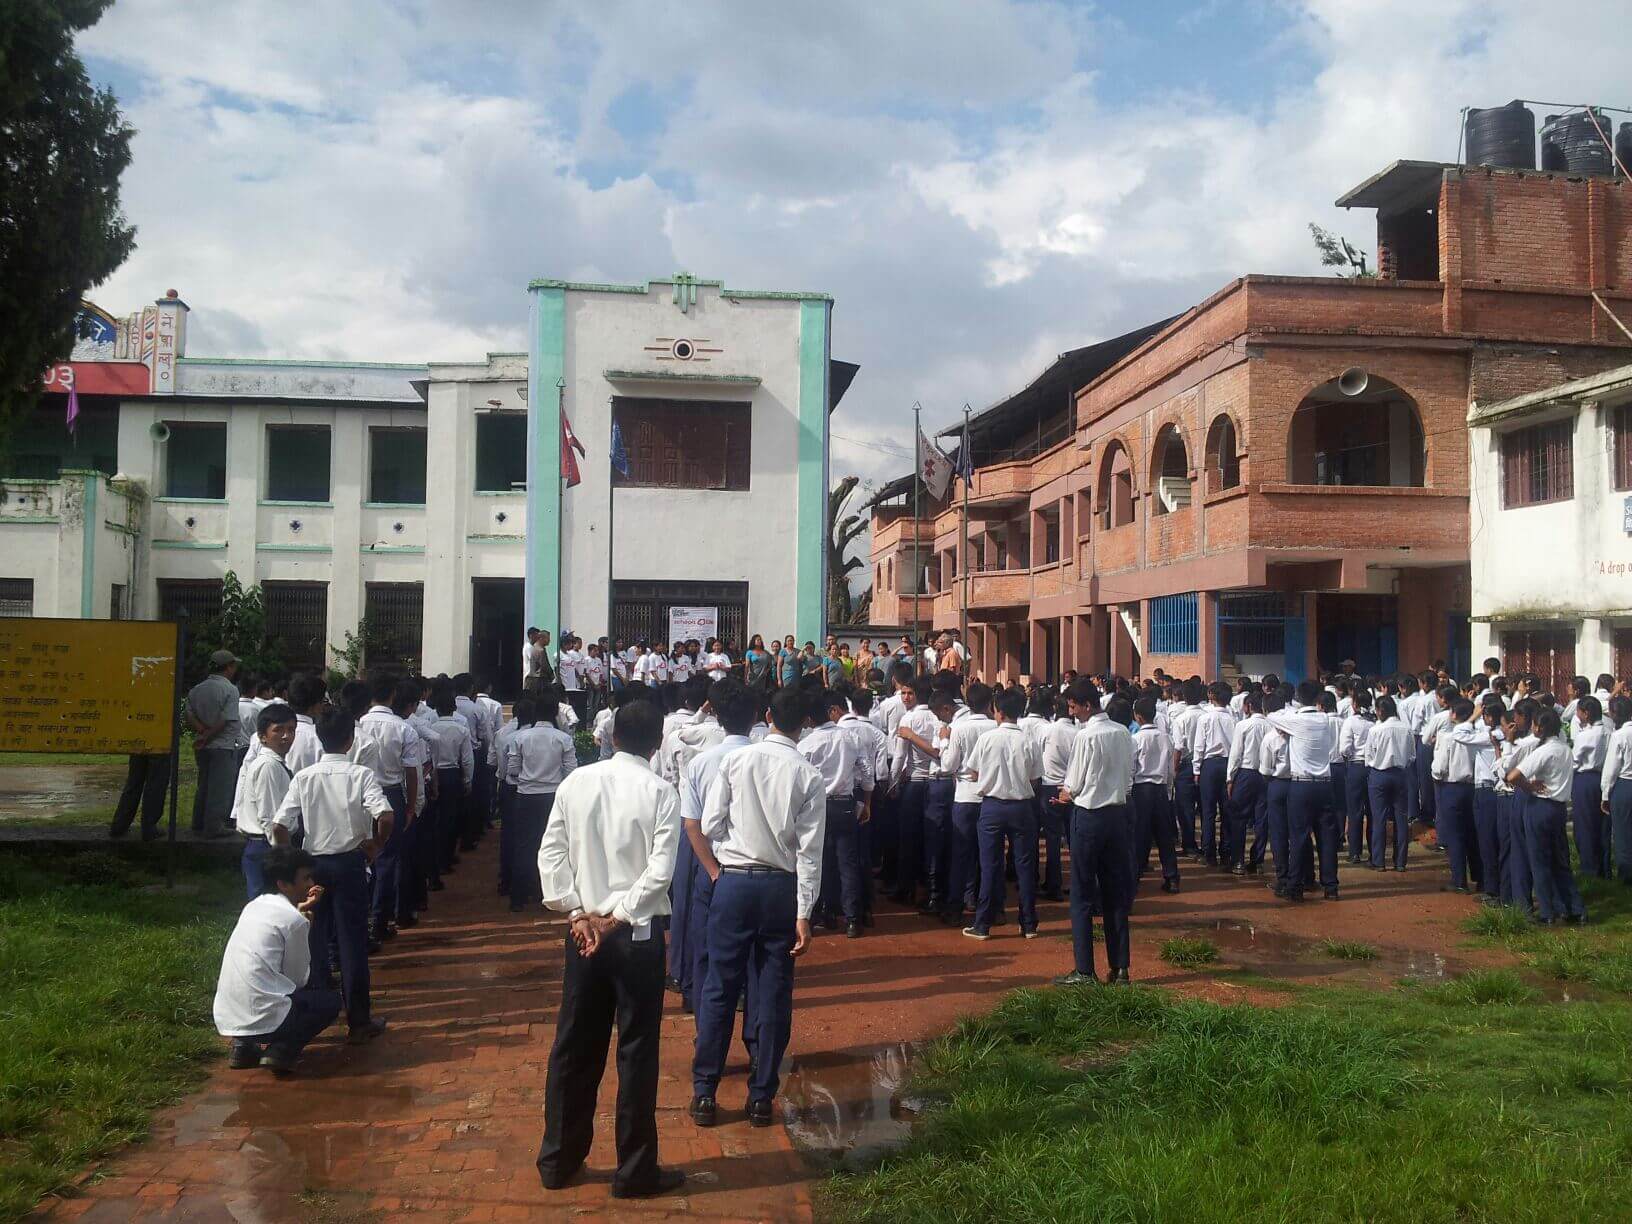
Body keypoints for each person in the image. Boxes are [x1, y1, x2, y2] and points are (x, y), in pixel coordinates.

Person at [536, 699, 684, 1199]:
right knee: (637, 1053)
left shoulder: (576, 783)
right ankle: (635, 1169)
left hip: (584, 936)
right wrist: (612, 918)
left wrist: (579, 915)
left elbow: (551, 853)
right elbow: (660, 871)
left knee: (574, 1046)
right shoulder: (661, 791)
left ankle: (558, 1158)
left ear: (613, 736)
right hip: (633, 938)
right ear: (657, 742)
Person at [690, 687, 824, 1131]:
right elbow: (810, 852)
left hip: (733, 882)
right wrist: (804, 912)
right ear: (804, 723)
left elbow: (709, 824)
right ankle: (761, 1096)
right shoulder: (808, 775)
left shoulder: (735, 761)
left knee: (719, 987)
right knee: (773, 991)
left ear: (767, 717)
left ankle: (705, 1091)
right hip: (779, 889)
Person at [270, 709, 393, 1044]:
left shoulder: (304, 777)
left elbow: (280, 825)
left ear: (318, 739)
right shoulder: (360, 775)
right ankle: (359, 1019)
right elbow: (385, 816)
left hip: (313, 866)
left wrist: (290, 859)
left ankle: (319, 1006)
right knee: (352, 943)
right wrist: (376, 845)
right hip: (350, 864)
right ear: (350, 740)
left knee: (314, 939)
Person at [213, 846, 341, 1075]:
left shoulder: (253, 906)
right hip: (266, 1014)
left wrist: (301, 912)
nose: (312, 883)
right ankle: (280, 1050)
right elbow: (297, 979)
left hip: (229, 1014)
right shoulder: (295, 921)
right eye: (305, 878)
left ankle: (245, 1047)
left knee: (265, 994)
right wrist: (306, 925)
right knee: (329, 1001)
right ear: (283, 884)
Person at [681, 678, 758, 1013]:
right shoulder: (769, 759)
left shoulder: (701, 762)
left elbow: (692, 825)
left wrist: (712, 870)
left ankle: (706, 1018)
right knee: (753, 949)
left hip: (711, 864)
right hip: (754, 867)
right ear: (755, 714)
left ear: (717, 716)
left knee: (706, 946)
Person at [1053, 681, 1135, 984]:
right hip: (1117, 814)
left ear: (1087, 705)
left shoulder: (1086, 736)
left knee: (1082, 893)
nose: (1072, 713)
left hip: (1088, 815)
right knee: (1115, 892)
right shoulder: (1122, 732)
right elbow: (1129, 775)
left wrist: (1065, 794)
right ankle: (1121, 967)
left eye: (1073, 707)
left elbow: (1073, 784)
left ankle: (1085, 969)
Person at [964, 687, 1042, 939]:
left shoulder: (988, 738)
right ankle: (1028, 923)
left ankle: (983, 923)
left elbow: (973, 771)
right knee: (1025, 865)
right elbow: (1035, 777)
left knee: (990, 865)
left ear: (998, 712)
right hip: (1021, 806)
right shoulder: (1028, 740)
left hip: (992, 806)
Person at [800, 689, 869, 937]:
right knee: (847, 862)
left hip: (818, 805)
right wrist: (867, 801)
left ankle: (823, 913)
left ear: (810, 719)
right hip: (845, 804)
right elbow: (866, 771)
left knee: (819, 861)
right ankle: (852, 919)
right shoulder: (849, 737)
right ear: (830, 712)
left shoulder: (807, 743)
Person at [357, 676, 419, 943]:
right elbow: (411, 772)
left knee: (361, 854)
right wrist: (411, 806)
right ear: (393, 695)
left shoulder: (357, 725)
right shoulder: (403, 728)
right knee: (387, 858)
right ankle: (380, 921)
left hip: (359, 794)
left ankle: (364, 917)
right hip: (390, 793)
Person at [1510, 709, 1586, 925]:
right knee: (1560, 860)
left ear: (1539, 728)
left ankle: (1547, 911)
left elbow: (1513, 775)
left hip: (1540, 807)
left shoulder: (1544, 751)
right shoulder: (1565, 748)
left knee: (1539, 860)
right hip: (1559, 808)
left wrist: (1528, 786)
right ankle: (1574, 908)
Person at [1267, 681, 1340, 902]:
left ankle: (1295, 886)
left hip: (1302, 784)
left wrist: (1293, 709)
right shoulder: (1326, 720)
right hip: (1325, 783)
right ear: (1319, 699)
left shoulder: (1295, 720)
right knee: (1326, 837)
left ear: (1298, 698)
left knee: (1298, 836)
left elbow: (1270, 715)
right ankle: (1331, 887)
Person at [510, 691, 577, 912]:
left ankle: (518, 896)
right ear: (555, 713)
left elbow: (512, 771)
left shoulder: (520, 737)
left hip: (526, 795)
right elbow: (570, 771)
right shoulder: (563, 738)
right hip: (553, 797)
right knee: (554, 846)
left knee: (523, 845)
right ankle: (547, 892)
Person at [940, 682, 998, 927]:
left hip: (965, 796)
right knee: (989, 856)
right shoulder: (996, 727)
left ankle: (955, 907)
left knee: (961, 856)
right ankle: (992, 908)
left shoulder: (959, 728)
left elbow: (947, 766)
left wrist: (944, 741)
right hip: (990, 796)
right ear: (990, 704)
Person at [234, 703, 297, 899]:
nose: (286, 736)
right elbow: (269, 815)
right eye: (278, 730)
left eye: (291, 730)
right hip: (266, 846)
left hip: (266, 845)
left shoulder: (276, 763)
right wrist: (282, 857)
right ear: (262, 736)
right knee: (267, 904)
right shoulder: (268, 766)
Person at [188, 650, 246, 836]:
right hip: (223, 745)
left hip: (203, 745)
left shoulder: (197, 689)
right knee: (220, 788)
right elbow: (226, 719)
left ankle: (198, 822)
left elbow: (189, 714)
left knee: (203, 784)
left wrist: (202, 732)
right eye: (234, 665)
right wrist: (209, 735)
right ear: (228, 666)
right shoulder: (230, 689)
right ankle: (213, 826)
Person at [1131, 695, 1180, 894]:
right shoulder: (1165, 738)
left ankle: (1134, 878)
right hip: (1160, 789)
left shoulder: (1136, 739)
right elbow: (1170, 770)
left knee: (1139, 836)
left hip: (1141, 789)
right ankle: (1172, 877)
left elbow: (1131, 769)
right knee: (1164, 836)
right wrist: (1168, 791)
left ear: (1138, 717)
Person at [1364, 695, 1416, 872]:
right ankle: (1400, 861)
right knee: (1401, 819)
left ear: (1381, 711)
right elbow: (1411, 756)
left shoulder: (1375, 730)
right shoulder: (1406, 729)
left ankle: (1379, 861)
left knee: (1379, 818)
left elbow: (1369, 757)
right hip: (1400, 774)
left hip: (1379, 774)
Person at [1224, 692, 1272, 874]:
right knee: (1262, 819)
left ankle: (1238, 861)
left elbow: (1236, 753)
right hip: (1266, 775)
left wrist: (1230, 777)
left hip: (1246, 773)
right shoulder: (1271, 725)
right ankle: (1257, 860)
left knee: (1238, 818)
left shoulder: (1243, 725)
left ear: (1249, 706)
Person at [1190, 682, 1235, 867]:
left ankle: (1209, 853)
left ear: (1211, 696)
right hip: (1227, 764)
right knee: (1226, 811)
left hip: (1209, 765)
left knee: (1207, 812)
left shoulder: (1206, 718)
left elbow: (1199, 746)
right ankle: (1226, 852)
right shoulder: (1234, 719)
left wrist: (1196, 769)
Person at [1571, 696, 1609, 877]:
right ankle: (1603, 868)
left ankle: (1589, 868)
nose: (1577, 715)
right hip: (1602, 778)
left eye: (1579, 711)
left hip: (1585, 779)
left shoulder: (1585, 735)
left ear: (1586, 714)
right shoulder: (1608, 731)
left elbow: (1574, 761)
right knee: (1601, 825)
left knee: (1585, 826)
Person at [108, 751, 171, 842]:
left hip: (140, 742)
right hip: (159, 743)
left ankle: (119, 825)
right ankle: (149, 828)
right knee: (156, 784)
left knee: (133, 782)